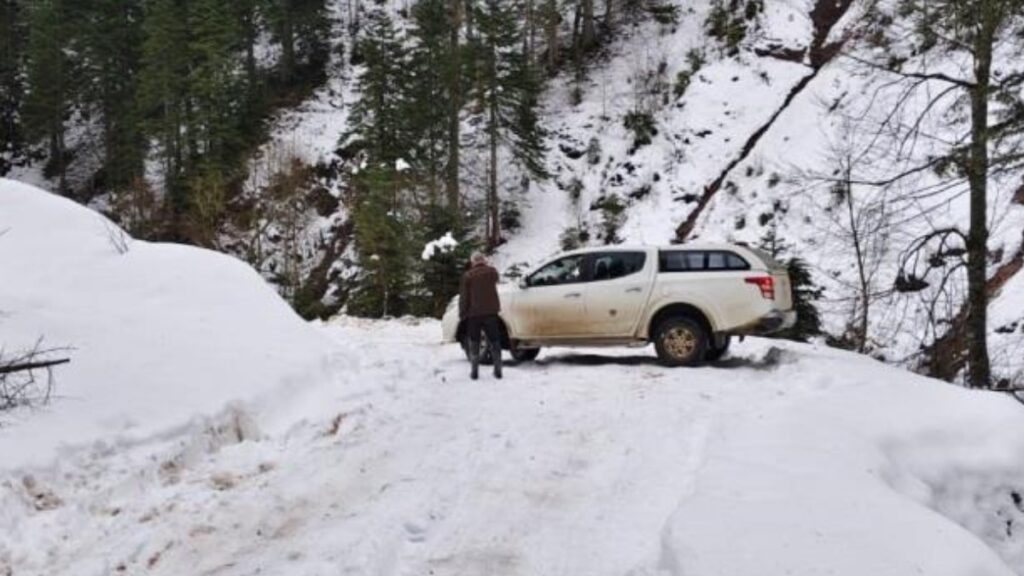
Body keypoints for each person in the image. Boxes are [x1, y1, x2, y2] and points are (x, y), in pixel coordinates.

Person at [460, 251, 503, 380]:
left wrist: (462, 313)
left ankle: (474, 372)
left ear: (473, 262)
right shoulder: (492, 272)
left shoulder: (468, 276)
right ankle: (498, 370)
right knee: (495, 341)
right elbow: (497, 278)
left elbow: (464, 298)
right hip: (491, 312)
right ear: (484, 260)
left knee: (475, 342)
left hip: (474, 314)